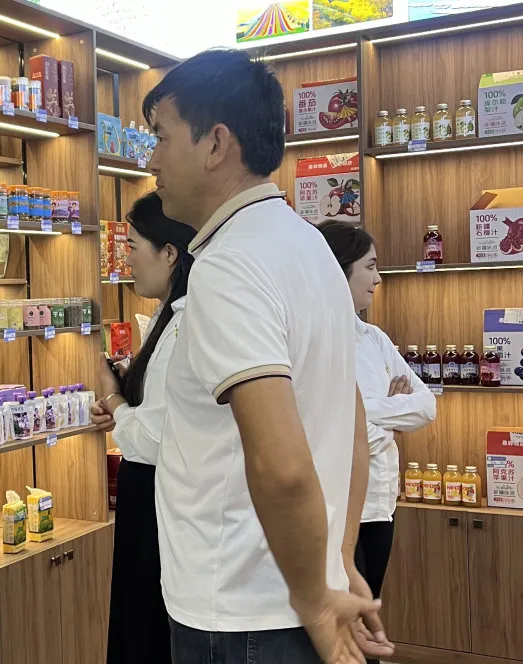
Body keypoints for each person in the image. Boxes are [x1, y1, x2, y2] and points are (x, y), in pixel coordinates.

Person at [143, 49, 395, 664]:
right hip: (291, 596)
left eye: (161, 136)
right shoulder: (307, 246)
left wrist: (316, 600)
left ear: (215, 143)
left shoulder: (229, 264)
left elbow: (281, 466)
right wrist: (337, 559)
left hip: (240, 613)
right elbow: (351, 420)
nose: (151, 161)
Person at [318, 220, 436, 663]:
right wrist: (388, 415)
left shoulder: (375, 338)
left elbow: (425, 406)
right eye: (369, 266)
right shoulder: (310, 340)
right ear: (339, 269)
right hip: (333, 511)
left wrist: (362, 417)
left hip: (381, 504)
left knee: (368, 620)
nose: (378, 278)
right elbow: (321, 430)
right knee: (342, 633)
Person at [91, 191, 196, 664]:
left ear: (169, 253)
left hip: (156, 495)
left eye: (132, 246)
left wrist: (114, 400)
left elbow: (155, 438)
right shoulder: (164, 316)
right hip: (150, 496)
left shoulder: (183, 323)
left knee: (145, 629)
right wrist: (126, 396)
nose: (125, 258)